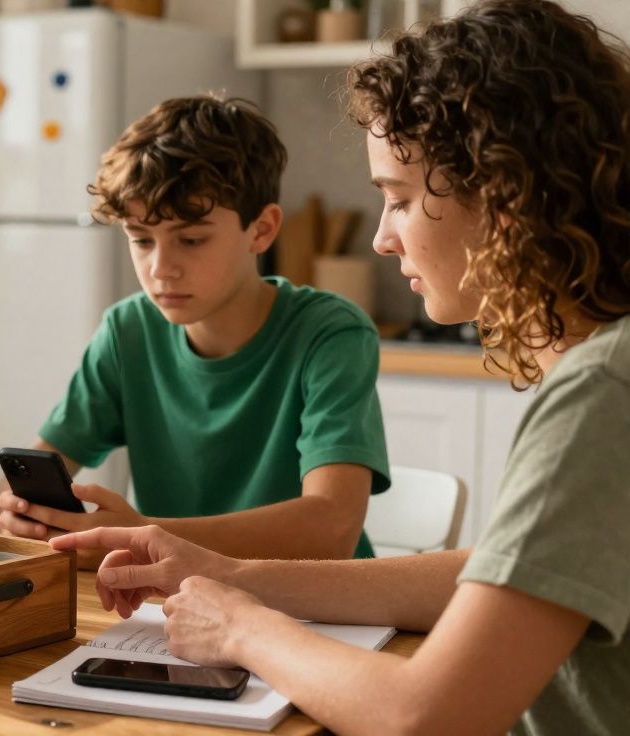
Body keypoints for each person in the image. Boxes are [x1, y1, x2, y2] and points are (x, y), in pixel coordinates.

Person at [53, 1, 630, 732]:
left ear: (506, 195)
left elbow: (424, 718)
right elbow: (495, 571)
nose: (384, 238)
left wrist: (242, 627)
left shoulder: (603, 392)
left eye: (400, 199)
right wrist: (228, 574)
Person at [0, 96, 390, 563]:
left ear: (262, 230)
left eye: (191, 239)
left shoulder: (330, 334)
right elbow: (20, 481)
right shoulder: (127, 331)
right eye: (141, 239)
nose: (161, 268)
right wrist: (23, 512)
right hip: (177, 597)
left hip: (313, 599)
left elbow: (331, 528)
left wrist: (142, 535)